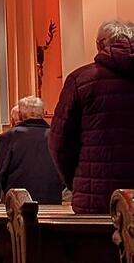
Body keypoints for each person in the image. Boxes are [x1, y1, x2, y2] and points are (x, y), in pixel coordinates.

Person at [49, 20, 134, 214]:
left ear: (99, 45)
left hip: (96, 198)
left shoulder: (80, 80)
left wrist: (78, 180)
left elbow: (59, 142)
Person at [0, 96, 64, 204]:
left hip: (17, 202)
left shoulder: (8, 137)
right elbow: (66, 169)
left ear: (20, 114)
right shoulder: (57, 137)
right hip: (51, 198)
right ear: (43, 113)